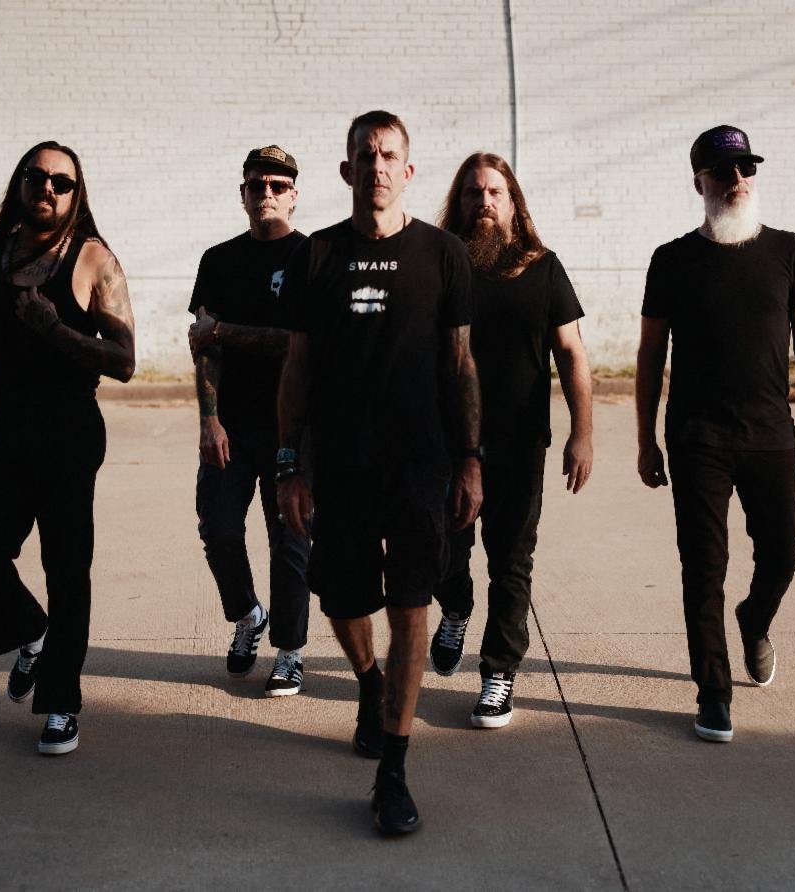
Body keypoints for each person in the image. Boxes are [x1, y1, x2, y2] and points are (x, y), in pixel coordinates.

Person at [276, 110, 482, 835]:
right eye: (365, 156)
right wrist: (289, 464)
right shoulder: (317, 256)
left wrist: (471, 458)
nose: (378, 167)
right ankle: (369, 681)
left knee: (411, 604)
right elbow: (297, 367)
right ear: (347, 170)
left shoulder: (444, 254)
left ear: (409, 170)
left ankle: (393, 769)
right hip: (340, 465)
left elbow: (461, 364)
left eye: (390, 155)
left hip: (421, 465)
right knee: (342, 598)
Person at [636, 125, 795, 743]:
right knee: (703, 568)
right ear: (699, 182)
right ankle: (713, 694)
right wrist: (646, 439)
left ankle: (755, 619)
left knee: (782, 554)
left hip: (771, 433)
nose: (738, 180)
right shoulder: (671, 260)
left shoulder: (787, 250)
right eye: (723, 172)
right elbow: (649, 356)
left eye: (747, 168)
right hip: (697, 438)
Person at [0, 141, 136, 755]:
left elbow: (125, 360)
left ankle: (60, 705)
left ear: (77, 193)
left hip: (70, 430)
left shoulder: (94, 260)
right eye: (36, 176)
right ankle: (33, 633)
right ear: (19, 184)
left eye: (61, 181)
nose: (47, 187)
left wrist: (55, 329)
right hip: (3, 431)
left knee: (67, 569)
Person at [433, 152, 593, 728]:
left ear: (512, 202)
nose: (484, 202)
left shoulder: (543, 268)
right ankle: (455, 607)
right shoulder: (441, 265)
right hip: (448, 441)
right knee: (442, 549)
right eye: (473, 193)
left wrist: (582, 433)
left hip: (520, 442)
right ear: (459, 203)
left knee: (511, 561)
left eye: (494, 192)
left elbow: (571, 352)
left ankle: (498, 672)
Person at [186, 146, 311, 696]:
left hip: (293, 429)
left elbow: (299, 344)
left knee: (290, 540)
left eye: (278, 186)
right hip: (231, 426)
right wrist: (208, 420)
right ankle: (247, 615)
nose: (267, 194)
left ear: (294, 195)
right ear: (242, 194)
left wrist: (224, 331)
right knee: (217, 528)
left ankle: (290, 651)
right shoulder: (218, 260)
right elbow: (203, 348)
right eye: (257, 185)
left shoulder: (312, 258)